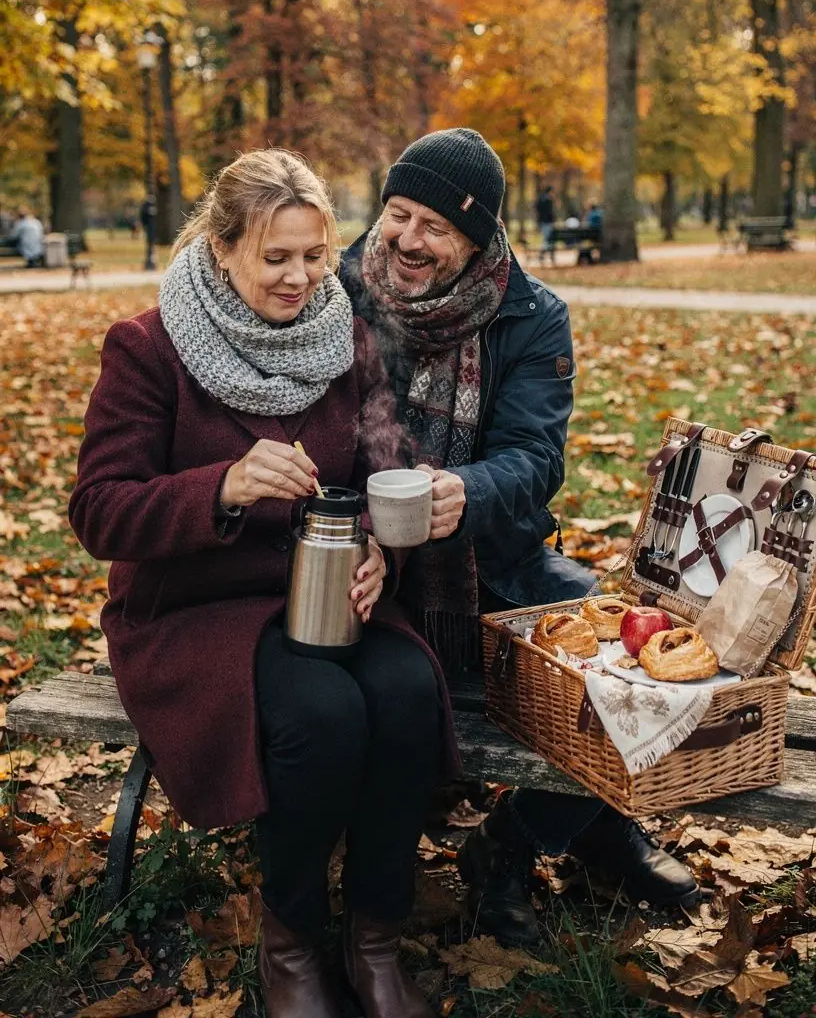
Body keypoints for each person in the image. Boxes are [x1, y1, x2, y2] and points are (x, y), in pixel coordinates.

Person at [69, 150, 455, 1018]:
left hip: (324, 588)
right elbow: (99, 511)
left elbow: (383, 460)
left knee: (401, 689)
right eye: (276, 257)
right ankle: (294, 944)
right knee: (321, 714)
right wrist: (222, 486)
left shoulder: (344, 333)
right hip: (195, 610)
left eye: (315, 255)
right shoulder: (147, 347)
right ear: (221, 247)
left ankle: (377, 942)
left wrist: (378, 553)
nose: (301, 277)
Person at [341, 129, 698, 948]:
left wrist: (465, 492)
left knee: (625, 673)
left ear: (476, 239)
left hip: (492, 562)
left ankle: (516, 843)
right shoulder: (338, 291)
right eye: (397, 214)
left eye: (435, 227)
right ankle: (603, 832)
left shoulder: (530, 314)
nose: (406, 239)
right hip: (365, 569)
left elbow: (536, 459)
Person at [535, 185, 555, 255]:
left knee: (545, 237)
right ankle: (543, 253)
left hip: (542, 221)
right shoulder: (549, 199)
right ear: (550, 191)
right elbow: (550, 212)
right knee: (547, 238)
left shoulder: (540, 199)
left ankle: (544, 253)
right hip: (548, 221)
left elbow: (537, 209)